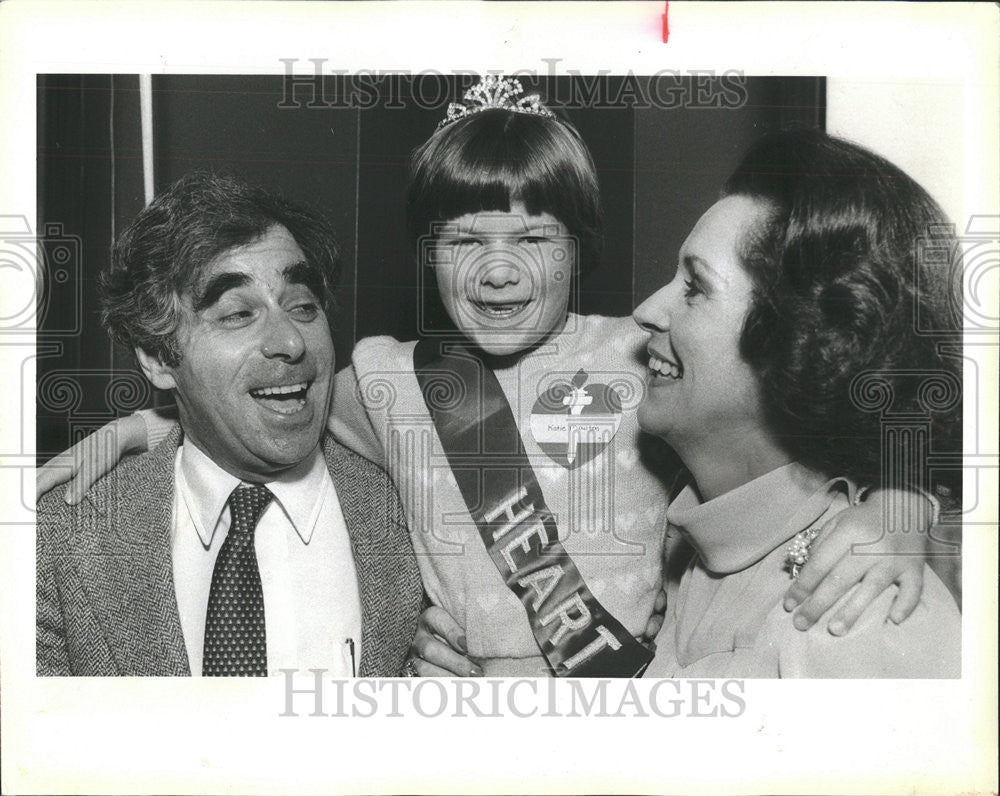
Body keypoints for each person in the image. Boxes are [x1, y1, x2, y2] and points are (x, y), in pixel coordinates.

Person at [38, 77, 940, 677]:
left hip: (630, 698)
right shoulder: (389, 380)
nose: (499, 272)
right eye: (465, 241)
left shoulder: (649, 354)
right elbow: (274, 410)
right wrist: (146, 426)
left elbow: (795, 439)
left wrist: (901, 506)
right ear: (426, 254)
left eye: (532, 240)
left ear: (580, 250)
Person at [36, 172, 423, 677]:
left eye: (303, 306)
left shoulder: (416, 504)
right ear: (157, 357)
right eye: (238, 314)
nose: (290, 341)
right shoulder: (63, 540)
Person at [636, 130, 961, 677]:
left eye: (695, 286)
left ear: (798, 344)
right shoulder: (700, 552)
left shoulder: (854, 613)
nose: (645, 311)